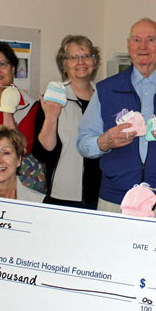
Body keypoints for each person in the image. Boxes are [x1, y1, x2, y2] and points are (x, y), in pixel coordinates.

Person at [77, 18, 156, 216]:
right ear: (129, 45)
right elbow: (83, 143)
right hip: (115, 201)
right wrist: (104, 142)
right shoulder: (106, 90)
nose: (143, 46)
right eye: (136, 40)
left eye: (150, 39)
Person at [33, 35, 102, 208]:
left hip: (102, 194)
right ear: (64, 65)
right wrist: (51, 117)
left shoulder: (105, 97)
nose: (81, 61)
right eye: (73, 57)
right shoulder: (52, 99)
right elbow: (43, 153)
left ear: (94, 61)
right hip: (63, 196)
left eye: (86, 55)